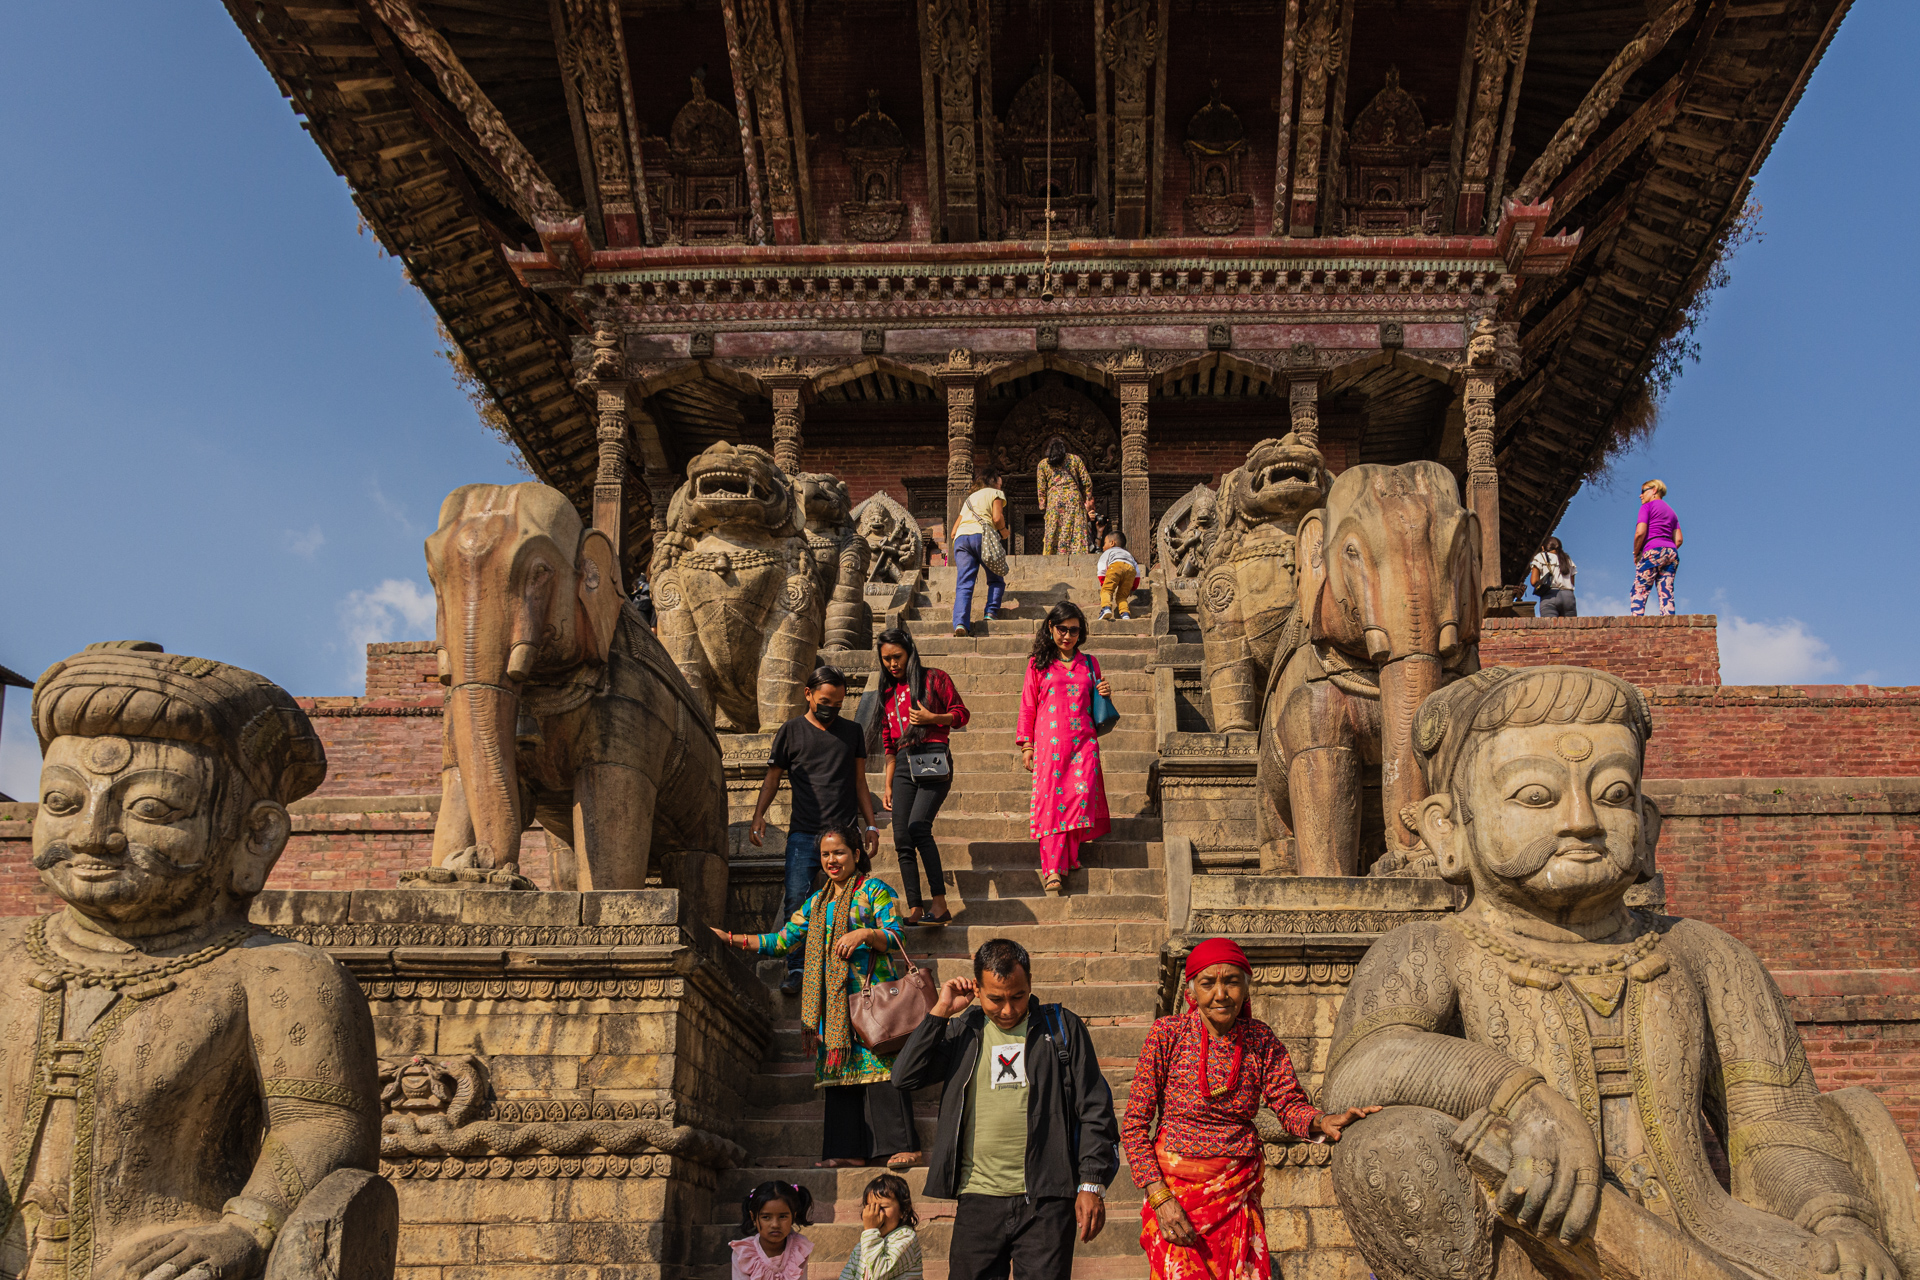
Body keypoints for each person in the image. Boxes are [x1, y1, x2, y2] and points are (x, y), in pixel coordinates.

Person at [1321, 665, 1910, 1280]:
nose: (1582, 820)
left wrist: (1836, 1223)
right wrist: (1520, 1097)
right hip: (1531, 1243)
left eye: (1614, 794)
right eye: (1536, 796)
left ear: (1649, 826)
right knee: (1388, 1145)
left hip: (1716, 1240)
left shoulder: (1704, 955)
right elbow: (1363, 1069)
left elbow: (1775, 1128)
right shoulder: (1430, 950)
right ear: (1450, 827)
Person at [1124, 938, 1379, 1280]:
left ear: (1246, 988)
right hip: (1177, 1199)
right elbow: (1135, 1125)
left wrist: (1320, 1120)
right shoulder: (1167, 1035)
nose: (1220, 994)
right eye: (1208, 983)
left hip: (1236, 1196)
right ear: (1191, 992)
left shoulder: (1260, 1040)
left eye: (1231, 982)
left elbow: (1288, 1104)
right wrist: (1159, 1198)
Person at [892, 938, 1121, 1280]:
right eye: (995, 999)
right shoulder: (964, 1031)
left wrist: (1091, 1183)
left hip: (1047, 1200)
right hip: (978, 1198)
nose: (1008, 1010)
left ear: (1030, 984)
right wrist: (940, 1012)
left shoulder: (1061, 1028)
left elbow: (1094, 1109)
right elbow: (904, 1076)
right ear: (978, 990)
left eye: (1018, 996)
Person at [716, 823, 920, 1170]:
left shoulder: (875, 891)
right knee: (839, 1075)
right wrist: (731, 938)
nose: (831, 860)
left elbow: (896, 934)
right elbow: (782, 941)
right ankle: (847, 1149)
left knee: (884, 1070)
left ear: (856, 854)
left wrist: (865, 933)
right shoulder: (817, 902)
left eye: (839, 852)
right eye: (825, 854)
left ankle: (903, 1145)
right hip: (833, 1003)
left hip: (873, 997)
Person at [750, 666, 882, 995]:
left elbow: (859, 781)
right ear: (808, 694)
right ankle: (797, 969)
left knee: (854, 901)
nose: (831, 708)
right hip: (804, 833)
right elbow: (772, 778)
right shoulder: (791, 732)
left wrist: (871, 824)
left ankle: (852, 965)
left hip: (845, 833)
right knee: (797, 900)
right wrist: (758, 815)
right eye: (825, 701)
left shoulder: (851, 733)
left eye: (837, 704)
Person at [1017, 601, 1112, 896]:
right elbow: (1028, 706)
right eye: (1062, 629)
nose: (1067, 636)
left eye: (1074, 630)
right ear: (1050, 628)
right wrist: (1026, 746)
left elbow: (1097, 700)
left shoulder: (1090, 663)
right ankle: (1052, 870)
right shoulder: (1037, 664)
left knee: (1079, 799)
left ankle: (1069, 856)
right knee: (1052, 806)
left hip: (1084, 743)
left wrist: (1105, 692)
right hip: (1050, 745)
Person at [876, 627, 970, 926]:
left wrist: (933, 718)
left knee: (918, 827)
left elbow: (961, 713)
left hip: (933, 756)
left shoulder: (935, 678)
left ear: (910, 653)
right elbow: (889, 743)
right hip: (903, 763)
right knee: (901, 836)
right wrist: (888, 782)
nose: (892, 664)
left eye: (897, 657)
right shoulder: (887, 692)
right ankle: (915, 906)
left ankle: (940, 903)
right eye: (886, 659)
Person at [951, 472, 1008, 637]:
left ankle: (961, 623)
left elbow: (954, 531)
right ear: (994, 482)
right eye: (1000, 483)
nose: (1001, 487)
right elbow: (997, 518)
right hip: (981, 536)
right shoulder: (995, 493)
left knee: (964, 584)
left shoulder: (970, 499)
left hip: (961, 539)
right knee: (996, 577)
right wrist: (1004, 532)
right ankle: (990, 612)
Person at [837, 1173, 924, 1280]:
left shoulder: (906, 1237)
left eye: (883, 1207)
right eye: (871, 1208)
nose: (876, 1213)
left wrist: (870, 1231)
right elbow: (847, 1276)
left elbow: (878, 1272)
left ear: (904, 1210)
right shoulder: (863, 1245)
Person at [732, 1180, 817, 1280]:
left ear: (793, 1217)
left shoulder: (798, 1249)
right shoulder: (744, 1253)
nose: (775, 1225)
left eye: (783, 1216)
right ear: (753, 1217)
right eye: (766, 1217)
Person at [1629, 477, 1683, 616]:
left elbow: (1640, 533)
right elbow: (1679, 540)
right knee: (1666, 591)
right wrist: (1667, 548)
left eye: (1643, 491)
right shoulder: (1672, 512)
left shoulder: (1647, 507)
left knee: (1639, 589)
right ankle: (1669, 624)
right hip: (1671, 552)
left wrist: (1636, 553)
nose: (1640, 495)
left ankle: (1636, 624)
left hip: (1652, 551)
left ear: (1654, 490)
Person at [1036, 437, 1095, 556]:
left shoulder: (1043, 464)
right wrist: (1087, 498)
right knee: (1075, 530)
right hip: (1074, 499)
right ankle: (1077, 557)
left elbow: (1041, 489)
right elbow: (1087, 482)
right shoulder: (1075, 459)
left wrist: (1043, 506)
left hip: (1054, 501)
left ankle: (1053, 556)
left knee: (1055, 530)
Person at [1095, 530, 1139, 621]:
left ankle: (1106, 608)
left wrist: (1103, 581)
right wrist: (1133, 587)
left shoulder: (1108, 552)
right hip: (1131, 570)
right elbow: (1137, 571)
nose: (1103, 547)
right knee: (1122, 596)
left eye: (1104, 543)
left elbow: (1102, 566)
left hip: (1115, 566)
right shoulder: (1128, 554)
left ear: (1112, 543)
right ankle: (1125, 614)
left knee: (1106, 590)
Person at [1528, 536, 1577, 617]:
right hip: (1568, 597)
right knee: (1570, 627)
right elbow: (1572, 583)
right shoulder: (1567, 559)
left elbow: (1533, 581)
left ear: (1543, 548)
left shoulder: (1540, 557)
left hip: (1549, 596)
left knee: (1550, 627)